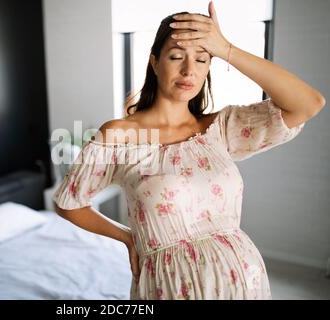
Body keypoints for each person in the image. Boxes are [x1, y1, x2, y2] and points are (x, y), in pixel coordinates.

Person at [52, 1, 326, 300]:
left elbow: (309, 103)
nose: (188, 70)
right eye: (176, 56)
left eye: (202, 59)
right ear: (155, 62)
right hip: (169, 285)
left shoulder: (221, 128)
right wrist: (128, 239)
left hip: (242, 279)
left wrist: (226, 49)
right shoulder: (120, 135)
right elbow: (69, 202)